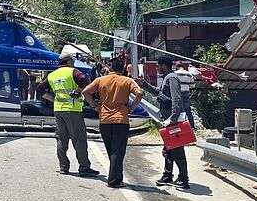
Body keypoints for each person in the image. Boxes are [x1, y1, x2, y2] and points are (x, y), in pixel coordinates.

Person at [82, 58, 144, 188]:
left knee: (112, 150)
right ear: (122, 69)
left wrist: (94, 106)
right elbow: (140, 92)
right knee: (118, 151)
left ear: (110, 68)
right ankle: (114, 180)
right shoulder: (127, 81)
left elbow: (85, 92)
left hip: (104, 119)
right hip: (121, 119)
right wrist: (132, 107)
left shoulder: (100, 80)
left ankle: (117, 177)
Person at [36, 54, 99, 177]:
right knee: (79, 138)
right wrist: (79, 90)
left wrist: (53, 99)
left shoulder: (52, 75)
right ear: (69, 61)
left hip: (59, 110)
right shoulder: (73, 72)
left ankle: (63, 167)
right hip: (73, 110)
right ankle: (84, 167)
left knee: (61, 139)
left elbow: (40, 89)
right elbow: (84, 80)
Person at [155, 58, 190, 190]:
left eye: (158, 66)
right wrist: (144, 84)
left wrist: (174, 117)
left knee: (176, 149)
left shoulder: (172, 77)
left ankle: (183, 178)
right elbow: (160, 94)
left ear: (164, 66)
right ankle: (167, 175)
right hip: (167, 119)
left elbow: (176, 98)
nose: (157, 68)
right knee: (168, 149)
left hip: (172, 120)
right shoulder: (166, 78)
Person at [174, 61, 196, 129]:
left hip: (177, 94)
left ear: (177, 66)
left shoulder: (175, 74)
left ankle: (180, 127)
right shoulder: (189, 74)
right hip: (186, 93)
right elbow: (192, 85)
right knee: (188, 110)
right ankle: (192, 126)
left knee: (178, 110)